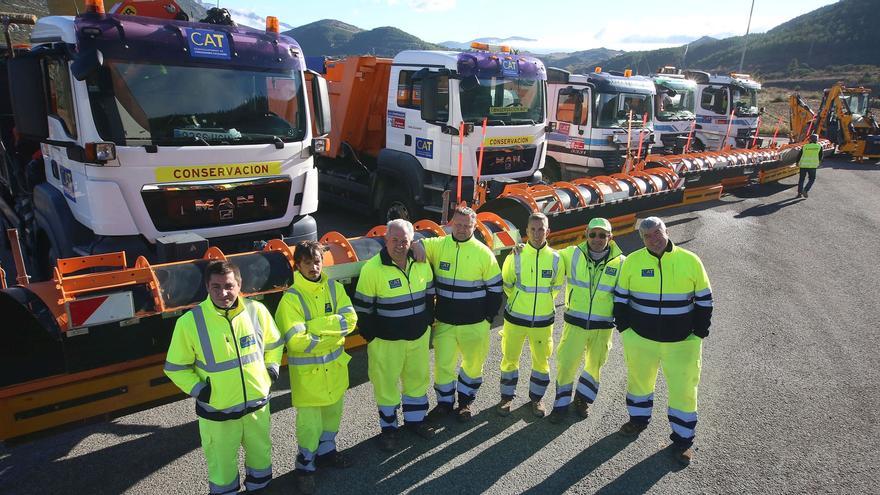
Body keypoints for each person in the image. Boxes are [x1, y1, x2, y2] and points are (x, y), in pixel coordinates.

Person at [164, 261, 283, 495]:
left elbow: (275, 344)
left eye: (229, 286)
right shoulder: (190, 322)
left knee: (261, 457)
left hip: (256, 407)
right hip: (217, 412)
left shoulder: (256, 311)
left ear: (239, 285)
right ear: (207, 287)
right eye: (216, 287)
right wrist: (200, 390)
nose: (223, 293)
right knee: (222, 466)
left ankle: (261, 489)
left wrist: (271, 369)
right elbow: (175, 367)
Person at [613, 217, 713, 466]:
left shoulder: (690, 261)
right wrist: (625, 330)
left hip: (682, 343)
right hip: (640, 340)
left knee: (684, 392)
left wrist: (699, 333)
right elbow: (620, 300)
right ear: (642, 239)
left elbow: (704, 301)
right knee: (638, 383)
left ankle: (683, 441)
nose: (654, 240)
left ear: (667, 231)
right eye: (647, 236)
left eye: (657, 233)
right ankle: (637, 420)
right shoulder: (633, 261)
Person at [274, 241, 357, 495]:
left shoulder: (333, 287)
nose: (314, 267)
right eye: (307, 262)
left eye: (317, 261)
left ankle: (327, 452)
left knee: (332, 417)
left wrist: (315, 327)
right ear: (298, 265)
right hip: (309, 379)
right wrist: (332, 332)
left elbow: (351, 321)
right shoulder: (291, 299)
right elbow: (297, 342)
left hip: (335, 372)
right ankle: (305, 466)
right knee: (309, 426)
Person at [353, 219, 437, 452]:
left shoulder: (421, 263)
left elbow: (430, 294)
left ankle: (416, 421)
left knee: (417, 379)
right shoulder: (372, 268)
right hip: (386, 342)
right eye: (395, 240)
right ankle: (389, 430)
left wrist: (426, 321)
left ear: (412, 242)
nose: (399, 245)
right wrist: (374, 336)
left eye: (405, 241)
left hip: (417, 337)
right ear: (385, 240)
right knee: (386, 385)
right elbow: (363, 308)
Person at [412, 206, 502, 422]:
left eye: (467, 225)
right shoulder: (439, 245)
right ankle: (444, 404)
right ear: (451, 223)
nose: (462, 229)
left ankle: (465, 403)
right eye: (458, 224)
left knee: (472, 365)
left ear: (474, 226)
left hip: (475, 323)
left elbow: (496, 289)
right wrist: (417, 244)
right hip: (446, 322)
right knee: (443, 365)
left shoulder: (483, 253)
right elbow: (417, 241)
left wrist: (488, 318)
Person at [549, 218, 625, 424]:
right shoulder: (572, 254)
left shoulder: (622, 263)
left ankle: (583, 400)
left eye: (602, 235)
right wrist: (521, 249)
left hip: (603, 327)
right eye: (593, 234)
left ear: (610, 237)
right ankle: (561, 404)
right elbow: (547, 255)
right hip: (575, 324)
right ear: (586, 234)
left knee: (595, 365)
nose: (597, 239)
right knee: (566, 363)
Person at [498, 212, 565, 418]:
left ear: (548, 231)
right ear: (526, 231)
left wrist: (541, 304)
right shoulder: (515, 255)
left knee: (541, 361)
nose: (537, 234)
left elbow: (555, 287)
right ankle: (506, 397)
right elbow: (507, 284)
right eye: (533, 229)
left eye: (541, 229)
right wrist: (521, 301)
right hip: (516, 318)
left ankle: (536, 399)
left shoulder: (555, 258)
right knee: (509, 359)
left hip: (543, 322)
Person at [797, 133, 822, 198]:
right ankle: (805, 190)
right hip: (812, 166)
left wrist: (797, 162)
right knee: (812, 179)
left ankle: (799, 193)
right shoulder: (819, 147)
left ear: (810, 140)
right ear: (817, 140)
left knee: (801, 179)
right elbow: (820, 157)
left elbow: (799, 155)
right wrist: (818, 163)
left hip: (803, 165)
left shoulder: (805, 146)